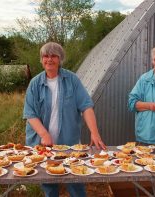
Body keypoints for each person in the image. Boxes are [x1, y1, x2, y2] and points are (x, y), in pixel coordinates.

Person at [23, 42, 106, 197]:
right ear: (41, 60)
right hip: (43, 145)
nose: (49, 59)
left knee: (75, 181)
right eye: (45, 56)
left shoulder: (72, 80)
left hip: (69, 143)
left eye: (54, 56)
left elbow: (86, 106)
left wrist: (95, 133)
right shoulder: (35, 83)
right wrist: (44, 134)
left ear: (60, 59)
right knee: (48, 183)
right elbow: (30, 113)